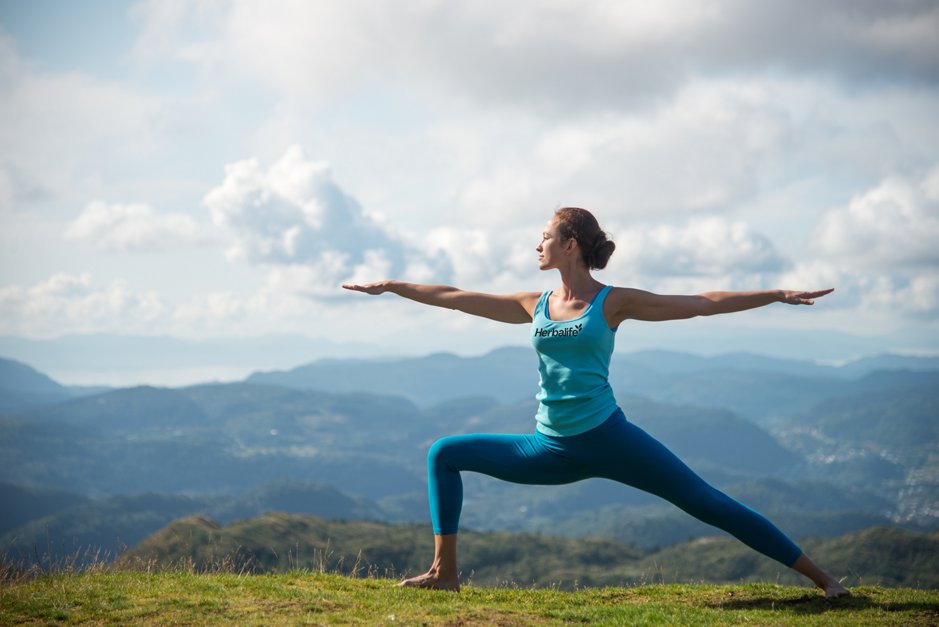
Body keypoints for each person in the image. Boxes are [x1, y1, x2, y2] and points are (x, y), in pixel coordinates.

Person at [342, 206, 849, 597]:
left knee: (707, 503)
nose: (536, 244)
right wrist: (392, 287)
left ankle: (825, 580)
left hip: (611, 439)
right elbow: (453, 295)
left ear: (570, 244)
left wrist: (775, 293)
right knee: (443, 453)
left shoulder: (614, 302)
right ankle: (443, 574)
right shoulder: (533, 304)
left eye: (544, 236)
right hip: (548, 447)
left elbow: (699, 304)